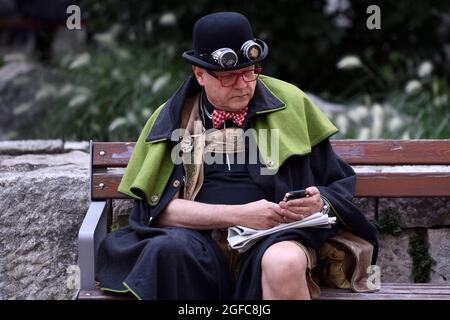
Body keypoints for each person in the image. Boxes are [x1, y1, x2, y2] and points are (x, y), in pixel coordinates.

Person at [96, 12, 378, 300]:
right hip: (196, 243)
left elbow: (337, 184)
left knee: (284, 261)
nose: (244, 84)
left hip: (275, 237)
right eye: (230, 77)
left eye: (250, 71)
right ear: (200, 74)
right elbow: (159, 212)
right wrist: (242, 214)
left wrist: (318, 201)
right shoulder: (172, 119)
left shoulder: (290, 105)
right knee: (166, 251)